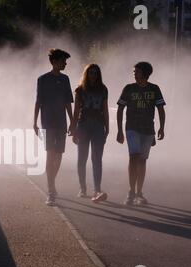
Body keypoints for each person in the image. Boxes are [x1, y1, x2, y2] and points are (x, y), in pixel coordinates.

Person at [117, 61, 166, 205]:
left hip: (148, 130)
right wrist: (120, 130)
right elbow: (120, 109)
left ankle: (139, 193)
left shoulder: (154, 89)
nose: (134, 74)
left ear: (145, 73)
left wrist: (161, 128)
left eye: (136, 71)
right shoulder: (129, 88)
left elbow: (161, 109)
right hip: (132, 128)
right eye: (134, 72)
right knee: (134, 157)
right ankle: (131, 192)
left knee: (143, 160)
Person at [33, 48, 74, 206]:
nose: (65, 63)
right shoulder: (42, 79)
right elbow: (38, 101)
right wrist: (34, 123)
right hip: (47, 123)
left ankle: (52, 182)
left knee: (59, 155)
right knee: (50, 155)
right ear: (54, 61)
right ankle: (51, 190)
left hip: (61, 123)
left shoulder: (65, 79)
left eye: (65, 61)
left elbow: (67, 102)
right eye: (63, 60)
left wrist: (73, 122)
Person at [71, 64, 109, 203]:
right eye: (90, 73)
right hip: (83, 126)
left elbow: (105, 109)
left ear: (98, 75)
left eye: (95, 73)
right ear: (86, 74)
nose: (93, 75)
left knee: (97, 158)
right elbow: (76, 111)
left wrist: (107, 127)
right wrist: (73, 129)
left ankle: (97, 189)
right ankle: (83, 188)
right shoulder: (80, 90)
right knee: (82, 158)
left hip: (98, 125)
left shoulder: (103, 89)